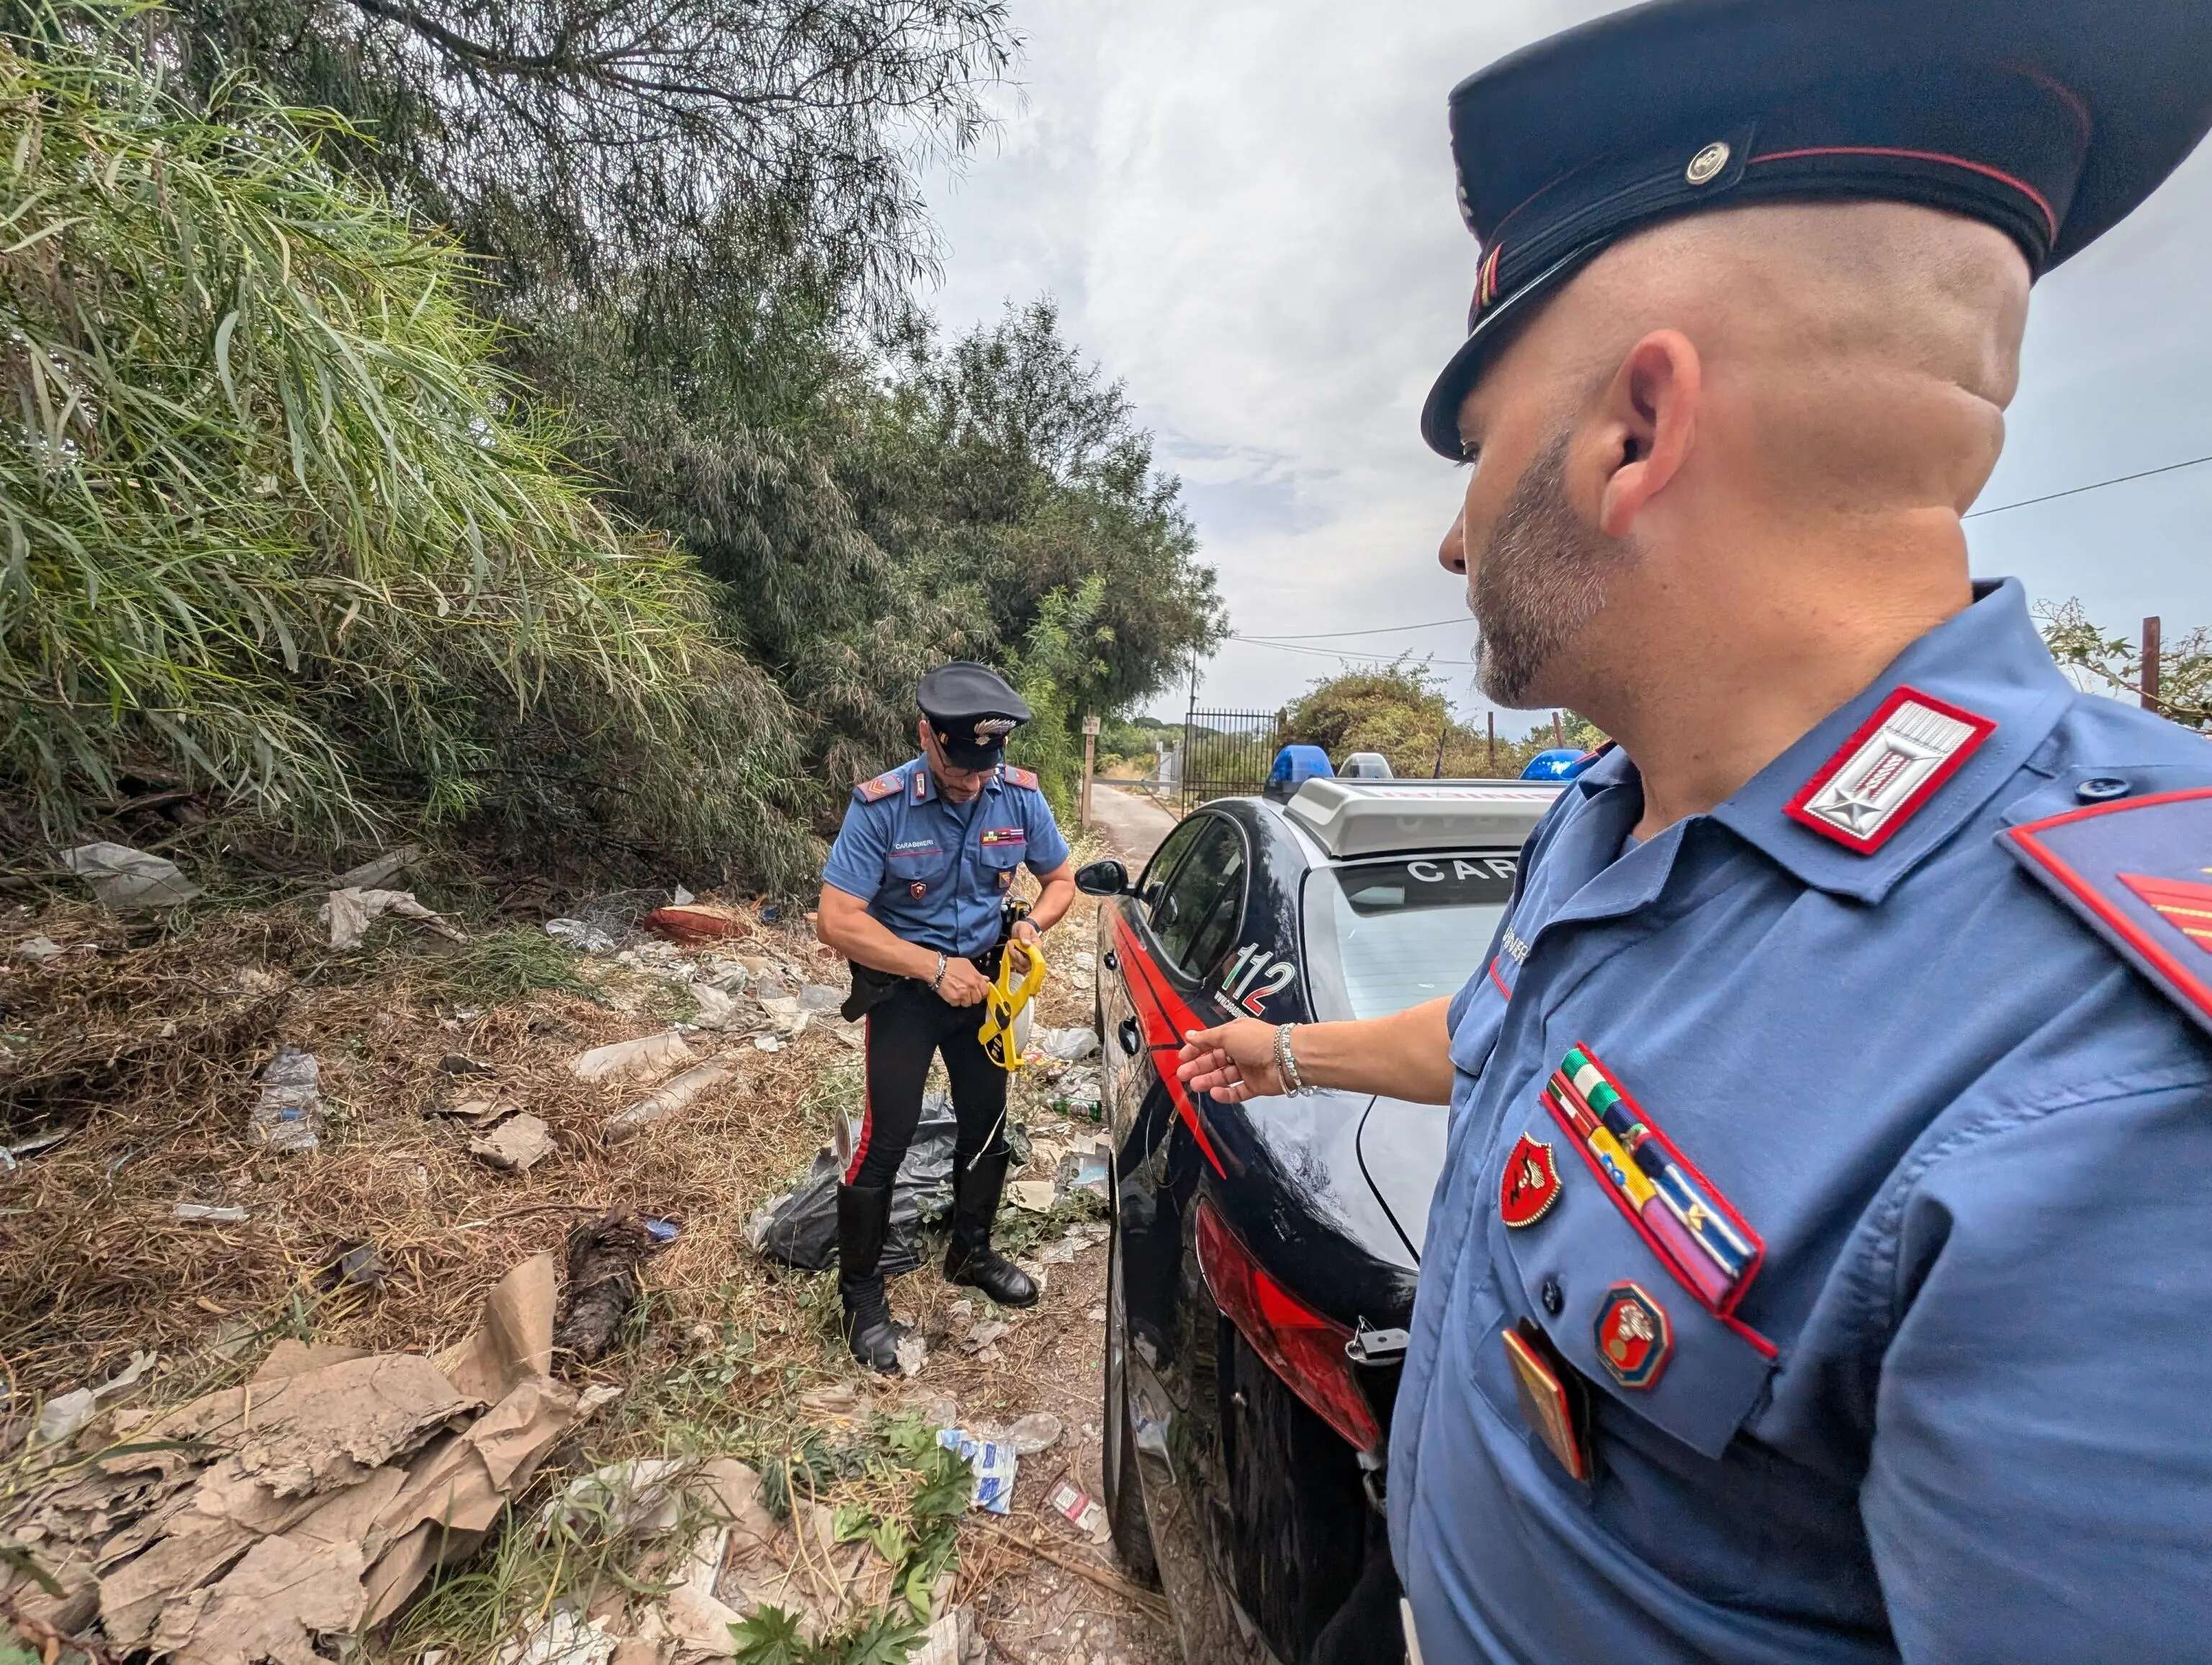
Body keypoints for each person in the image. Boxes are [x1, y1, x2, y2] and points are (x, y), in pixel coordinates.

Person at [1178, 2, 2212, 1659]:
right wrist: (1286, 1059)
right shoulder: (1613, 809)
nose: (1449, 542)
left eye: (1475, 450)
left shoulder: (2105, 1088)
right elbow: (1510, 1037)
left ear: (1630, 432)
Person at [817, 663, 1076, 1371]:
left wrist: (1032, 930)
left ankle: (970, 1252)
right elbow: (836, 920)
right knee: (887, 1139)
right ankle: (862, 1298)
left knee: (987, 1128)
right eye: (959, 766)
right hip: (905, 996)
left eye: (984, 768)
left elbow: (1061, 880)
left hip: (986, 995)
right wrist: (930, 967)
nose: (972, 782)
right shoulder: (882, 807)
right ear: (927, 736)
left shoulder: (1016, 795)